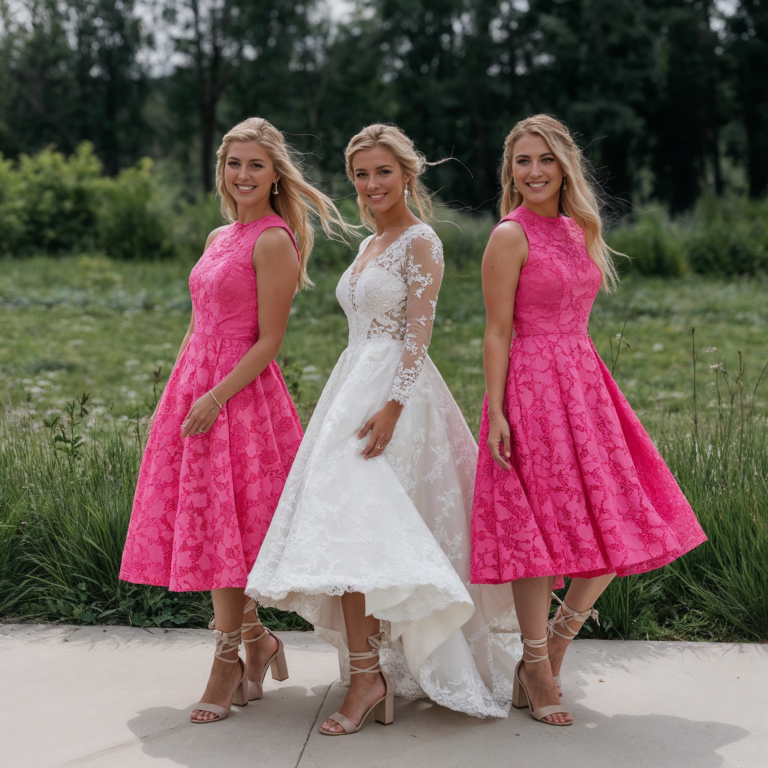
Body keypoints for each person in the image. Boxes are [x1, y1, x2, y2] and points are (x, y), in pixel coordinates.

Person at [246, 124, 519, 736]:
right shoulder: (370, 244)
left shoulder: (420, 242)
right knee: (353, 533)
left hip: (397, 397)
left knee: (365, 531)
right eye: (362, 175)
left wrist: (394, 408)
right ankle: (369, 672)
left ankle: (372, 676)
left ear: (407, 174)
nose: (371, 185)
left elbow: (418, 338)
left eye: (382, 173)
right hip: (352, 384)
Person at [471, 114, 707, 726]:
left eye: (544, 159)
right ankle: (536, 663)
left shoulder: (580, 229)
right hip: (529, 387)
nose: (533, 172)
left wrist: (585, 384)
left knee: (617, 513)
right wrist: (495, 411)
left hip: (583, 381)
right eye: (522, 161)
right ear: (510, 171)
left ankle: (557, 642)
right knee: (541, 531)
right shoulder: (509, 235)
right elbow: (496, 330)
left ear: (565, 164)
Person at [119, 116, 348, 724]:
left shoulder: (273, 239)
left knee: (228, 535)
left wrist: (215, 396)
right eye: (234, 164)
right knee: (212, 533)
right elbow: (199, 324)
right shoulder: (220, 235)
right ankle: (258, 643)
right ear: (222, 170)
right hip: (194, 389)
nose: (242, 175)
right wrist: (175, 397)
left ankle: (227, 662)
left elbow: (268, 341)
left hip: (239, 400)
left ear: (276, 176)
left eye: (255, 165)